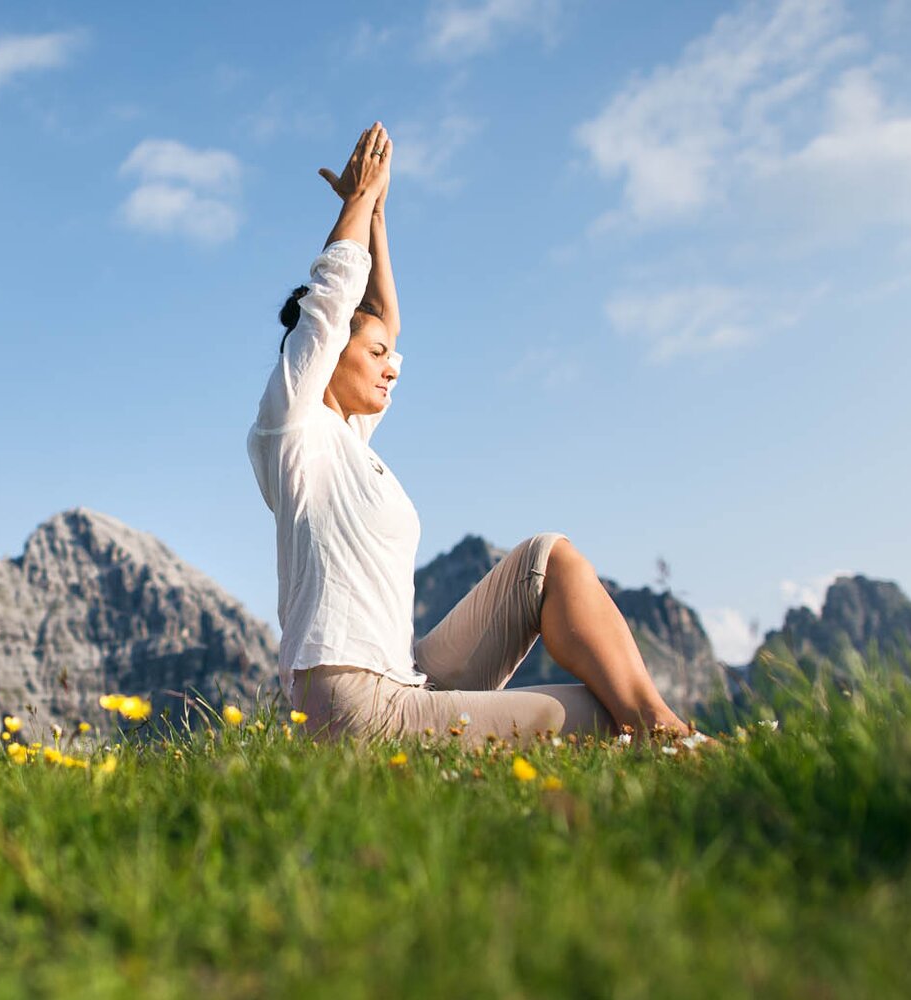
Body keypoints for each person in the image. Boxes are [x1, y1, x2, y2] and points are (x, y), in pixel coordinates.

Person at [247, 122, 711, 750]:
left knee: (545, 559)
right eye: (377, 352)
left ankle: (664, 729)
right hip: (353, 706)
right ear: (326, 356)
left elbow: (382, 315)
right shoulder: (293, 431)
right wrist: (356, 202)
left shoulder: (350, 440)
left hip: (404, 681)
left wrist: (377, 216)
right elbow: (332, 305)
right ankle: (674, 745)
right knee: (603, 718)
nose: (391, 365)